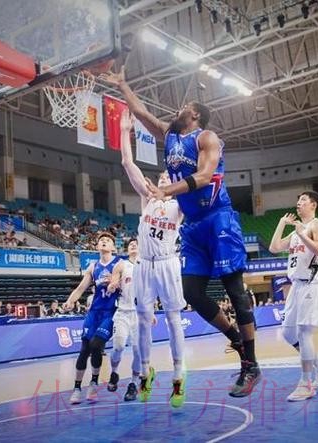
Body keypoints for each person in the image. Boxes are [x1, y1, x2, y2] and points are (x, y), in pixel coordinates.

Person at [105, 67, 260, 397]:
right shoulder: (171, 135)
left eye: (183, 107)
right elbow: (141, 113)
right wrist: (122, 84)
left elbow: (203, 177)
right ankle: (236, 338)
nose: (176, 110)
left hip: (218, 217)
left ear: (194, 114)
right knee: (192, 292)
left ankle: (251, 364)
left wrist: (166, 191)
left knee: (234, 290)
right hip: (193, 225)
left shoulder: (206, 138)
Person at [118, 110, 186, 406]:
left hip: (168, 263)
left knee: (173, 318)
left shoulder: (179, 206)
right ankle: (145, 372)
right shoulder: (147, 199)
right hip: (144, 264)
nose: (162, 179)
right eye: (160, 176)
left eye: (167, 177)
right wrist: (124, 131)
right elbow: (127, 162)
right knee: (144, 320)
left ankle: (179, 375)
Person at [269, 192, 318, 401]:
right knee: (288, 333)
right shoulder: (296, 230)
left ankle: (306, 383)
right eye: (298, 200)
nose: (299, 203)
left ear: (313, 204)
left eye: (303, 200)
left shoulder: (317, 225)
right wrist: (282, 223)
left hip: (312, 284)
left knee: (304, 332)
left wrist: (303, 235)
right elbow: (274, 248)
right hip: (296, 285)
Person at [63, 233, 122, 404]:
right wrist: (70, 301)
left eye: (108, 240)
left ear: (113, 247)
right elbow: (80, 288)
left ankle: (94, 383)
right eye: (101, 240)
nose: (104, 241)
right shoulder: (93, 267)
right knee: (84, 349)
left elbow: (121, 281)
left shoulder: (119, 264)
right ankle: (77, 388)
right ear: (97, 246)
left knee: (96, 345)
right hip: (94, 312)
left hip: (110, 312)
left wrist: (114, 284)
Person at [107, 238, 142, 402]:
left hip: (140, 314)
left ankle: (133, 383)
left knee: (138, 350)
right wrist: (112, 286)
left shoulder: (146, 265)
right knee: (119, 347)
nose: (133, 245)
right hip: (122, 312)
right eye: (130, 244)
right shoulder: (121, 265)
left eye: (136, 244)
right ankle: (114, 372)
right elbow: (113, 282)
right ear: (127, 250)